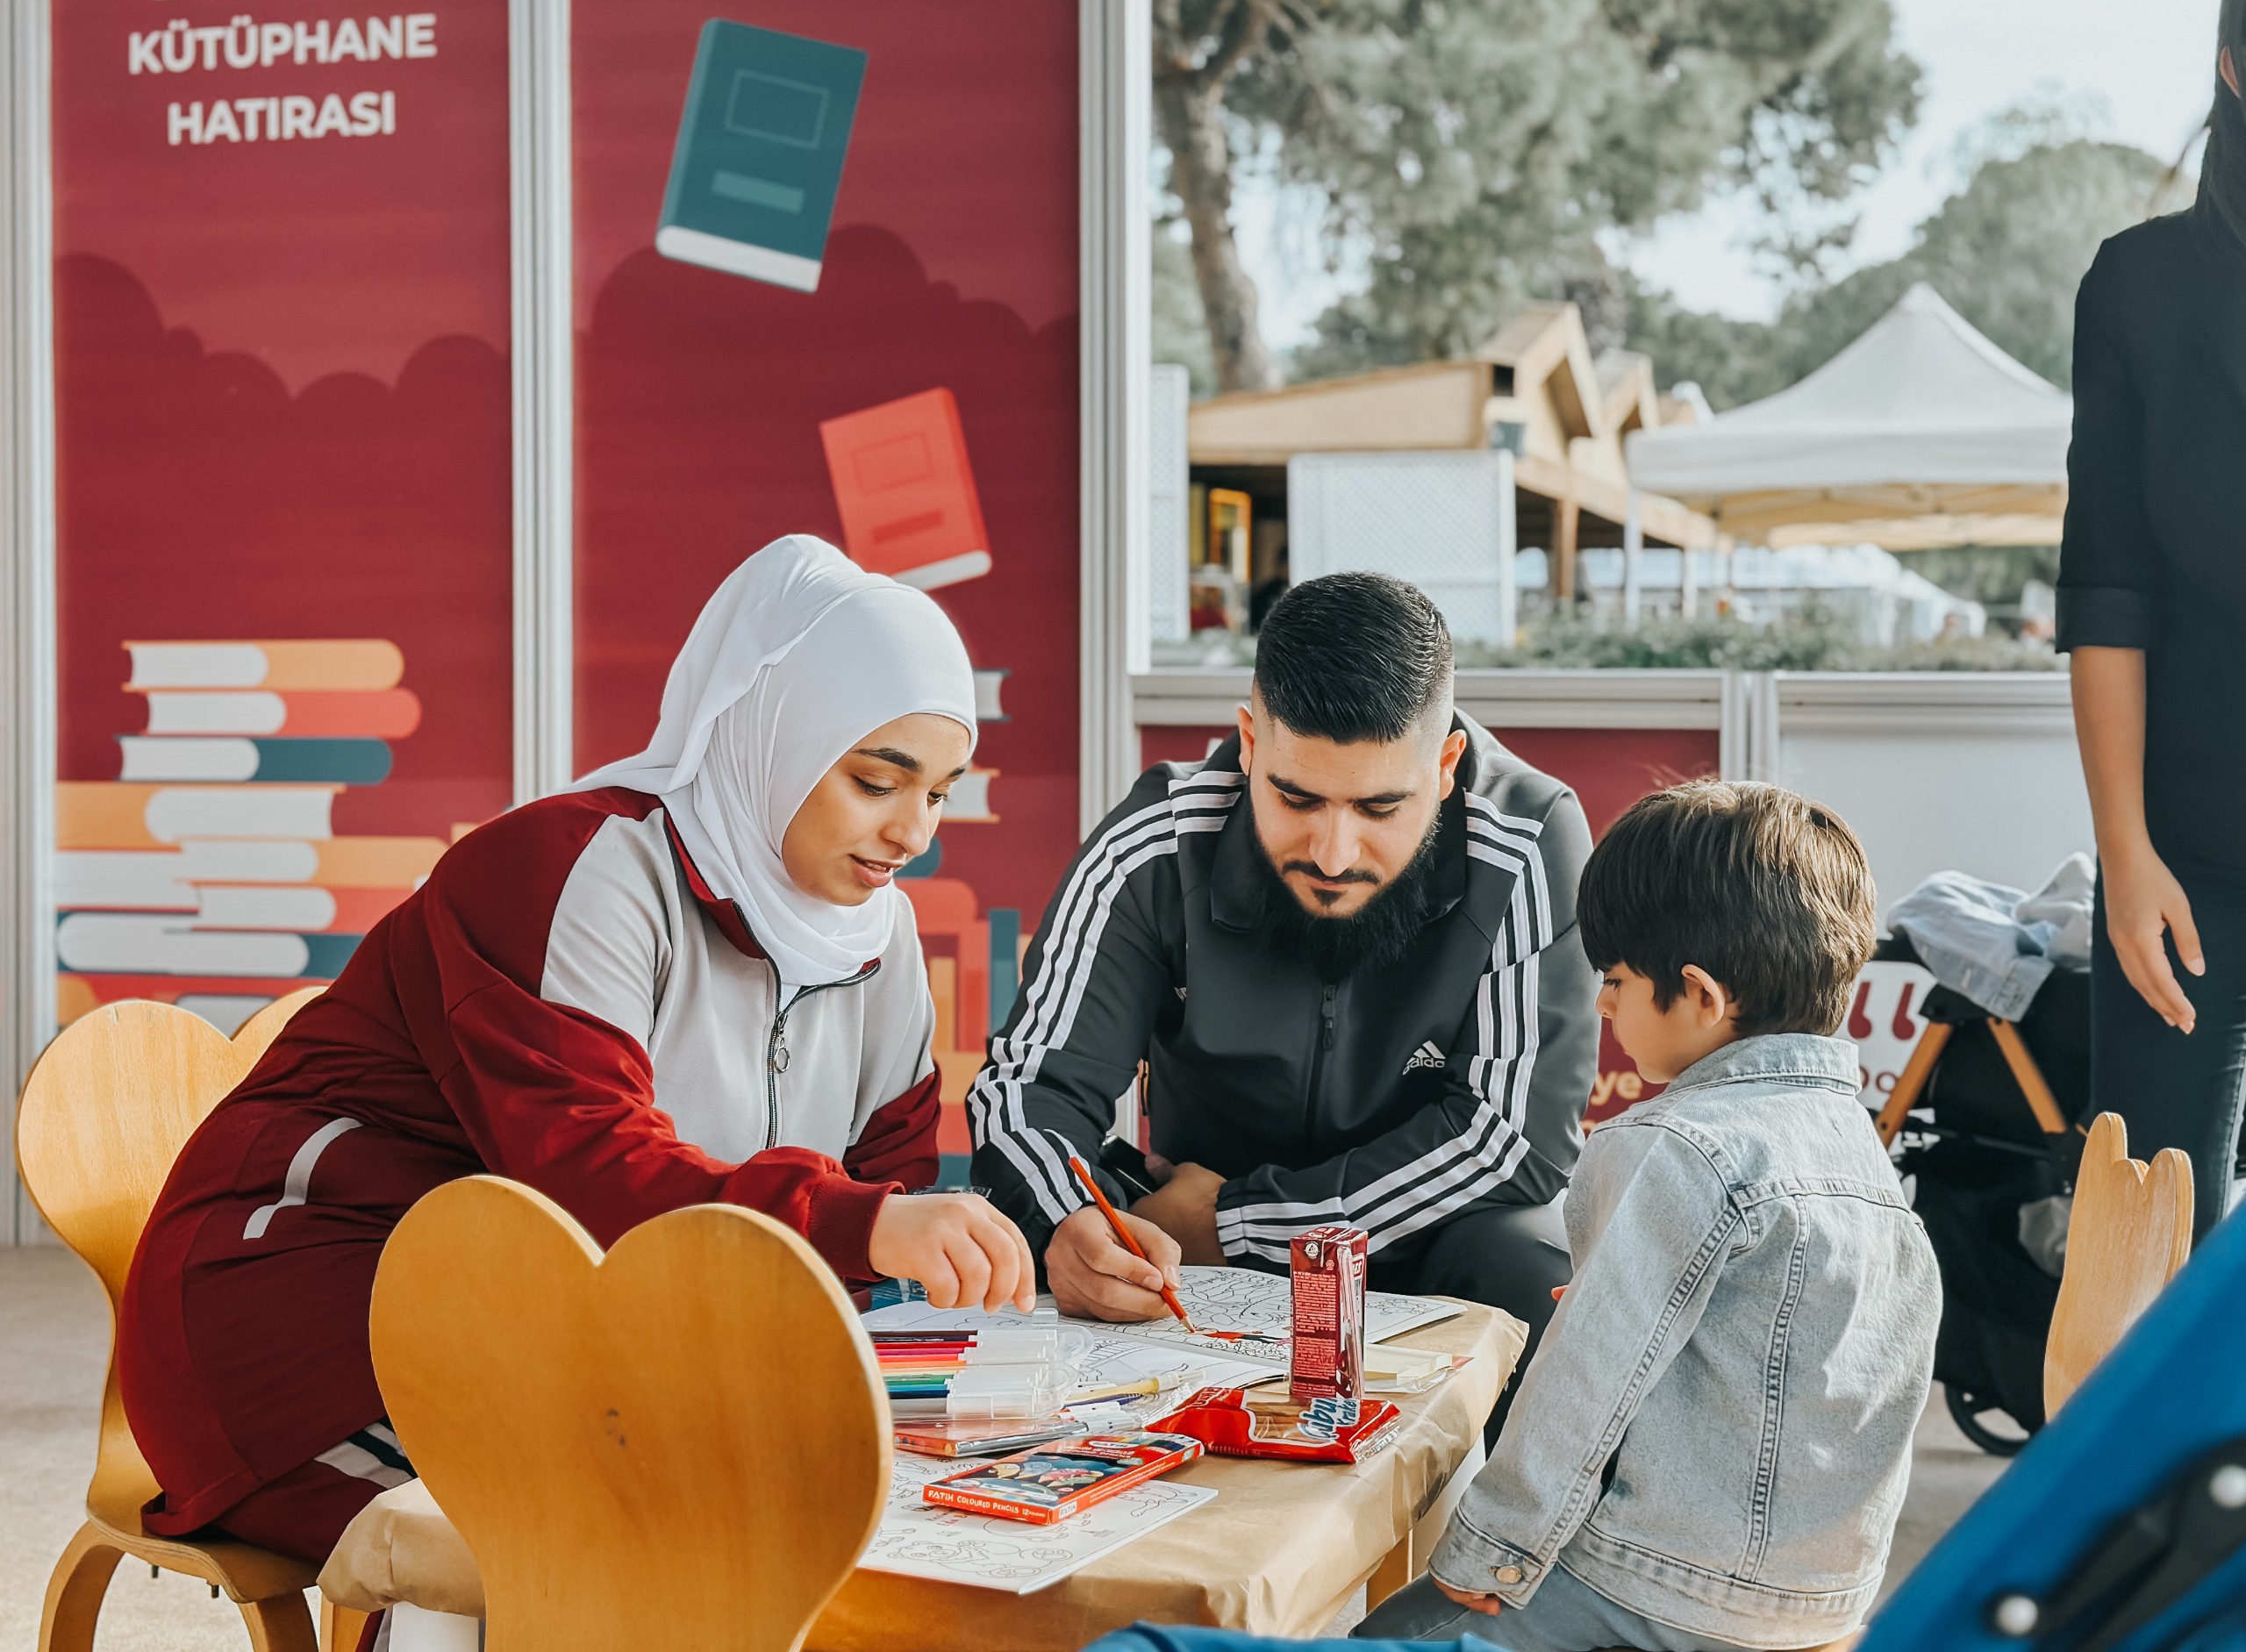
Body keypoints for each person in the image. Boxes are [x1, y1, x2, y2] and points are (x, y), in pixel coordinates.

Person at [116, 536, 1035, 1567]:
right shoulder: (574, 869)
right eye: (877, 781)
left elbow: (889, 1169)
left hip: (565, 1332)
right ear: (767, 734)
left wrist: (898, 1255)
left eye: (942, 793)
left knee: (844, 1522)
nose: (915, 832)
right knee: (625, 1550)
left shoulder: (877, 933)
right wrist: (862, 1225)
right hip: (315, 1325)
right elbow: (590, 1182)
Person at [969, 573, 1596, 1428]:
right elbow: (1025, 1092)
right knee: (1052, 1210)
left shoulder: (1523, 838)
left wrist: (1240, 1221)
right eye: (1296, 798)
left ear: (1445, 766)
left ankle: (1486, 1559)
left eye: (1381, 807)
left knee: (1528, 1255)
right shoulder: (1155, 840)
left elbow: (1512, 1139)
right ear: (1249, 741)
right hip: (1188, 1247)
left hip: (1416, 1236)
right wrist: (1069, 1224)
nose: (1334, 852)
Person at [1356, 782, 1939, 1652]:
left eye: (1617, 980)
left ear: (1701, 998)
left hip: (1655, 1587)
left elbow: (1582, 1382)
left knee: (1392, 1631)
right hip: (1821, 1603)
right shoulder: (1867, 1168)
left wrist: (1487, 1556)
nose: (1601, 1005)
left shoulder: (1673, 1142)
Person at [2060, 0, 2246, 1243]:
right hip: (2188, 855)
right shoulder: (2140, 286)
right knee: (2150, 1254)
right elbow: (2106, 588)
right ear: (2236, 67)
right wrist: (2126, 857)